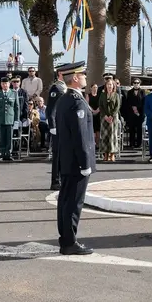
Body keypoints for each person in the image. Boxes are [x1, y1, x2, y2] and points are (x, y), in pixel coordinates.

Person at [54, 62, 95, 255]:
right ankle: (70, 242)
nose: (86, 77)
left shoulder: (64, 99)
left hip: (67, 159)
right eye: (83, 74)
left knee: (65, 200)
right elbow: (80, 135)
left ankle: (65, 238)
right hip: (77, 161)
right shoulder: (77, 101)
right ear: (76, 78)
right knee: (73, 202)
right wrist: (85, 162)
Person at [45, 71, 66, 190]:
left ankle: (62, 178)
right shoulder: (56, 88)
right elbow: (51, 109)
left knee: (64, 155)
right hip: (57, 127)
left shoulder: (64, 87)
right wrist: (52, 126)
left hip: (64, 126)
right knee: (57, 155)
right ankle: (55, 181)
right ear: (60, 75)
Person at [0, 76, 18, 162]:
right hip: (0, 118)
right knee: (2, 137)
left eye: (6, 83)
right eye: (3, 83)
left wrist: (16, 120)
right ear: (1, 84)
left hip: (10, 118)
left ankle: (8, 154)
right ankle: (2, 153)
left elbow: (16, 107)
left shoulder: (14, 93)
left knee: (9, 137)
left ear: (9, 84)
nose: (5, 85)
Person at [97, 75, 121, 162]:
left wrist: (111, 116)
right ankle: (105, 154)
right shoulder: (103, 95)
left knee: (112, 136)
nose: (109, 86)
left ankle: (112, 154)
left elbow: (117, 106)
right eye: (108, 84)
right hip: (104, 118)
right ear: (106, 86)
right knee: (105, 136)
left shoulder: (116, 95)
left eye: (111, 84)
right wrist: (106, 116)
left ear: (113, 86)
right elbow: (101, 106)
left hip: (113, 118)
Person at [121, 79, 144, 149]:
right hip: (131, 113)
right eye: (135, 83)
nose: (136, 84)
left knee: (139, 129)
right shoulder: (129, 92)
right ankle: (132, 143)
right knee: (132, 129)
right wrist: (133, 108)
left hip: (140, 113)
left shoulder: (142, 92)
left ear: (140, 84)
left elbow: (143, 102)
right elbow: (128, 102)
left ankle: (139, 143)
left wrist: (138, 110)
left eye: (137, 83)